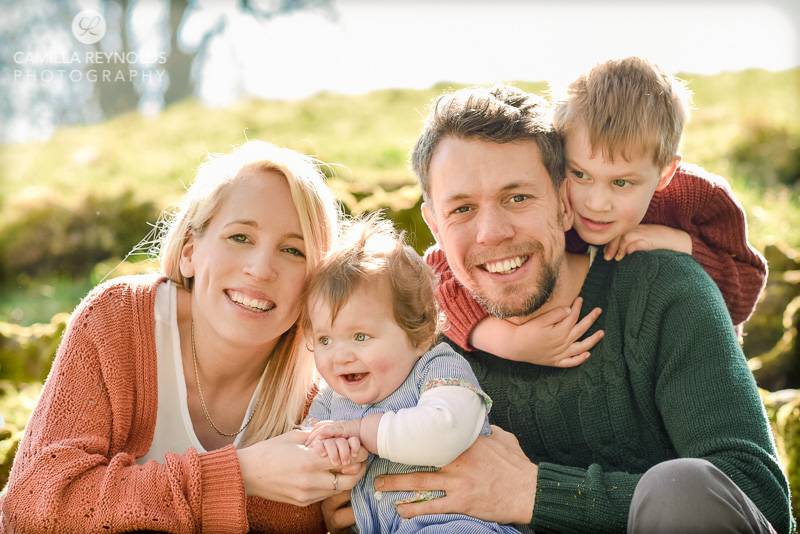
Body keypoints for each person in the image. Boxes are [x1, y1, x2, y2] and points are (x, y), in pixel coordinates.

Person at [368, 84, 795, 533]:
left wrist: (532, 492)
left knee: (680, 488)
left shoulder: (664, 292)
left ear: (565, 204)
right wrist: (355, 497)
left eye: (518, 197)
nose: (492, 233)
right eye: (463, 208)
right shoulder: (418, 334)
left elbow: (754, 495)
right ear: (434, 224)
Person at [0, 141, 368, 533]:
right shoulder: (116, 322)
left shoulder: (327, 392)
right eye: (240, 237)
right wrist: (239, 474)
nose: (261, 270)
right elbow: (33, 506)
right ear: (191, 250)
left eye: (293, 250)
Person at [429, 57, 767, 362]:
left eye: (621, 183)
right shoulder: (552, 202)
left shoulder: (699, 198)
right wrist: (507, 341)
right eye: (580, 174)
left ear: (665, 173)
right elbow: (435, 275)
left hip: (698, 353)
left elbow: (747, 287)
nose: (595, 203)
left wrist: (682, 244)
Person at [300, 215, 521, 533]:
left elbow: (445, 431)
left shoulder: (437, 369)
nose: (340, 356)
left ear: (418, 335)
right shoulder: (329, 402)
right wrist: (329, 454)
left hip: (456, 521)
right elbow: (307, 460)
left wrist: (363, 432)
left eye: (361, 336)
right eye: (325, 340)